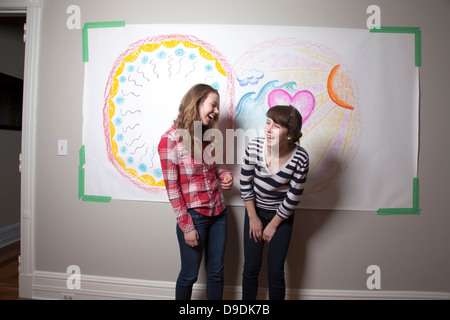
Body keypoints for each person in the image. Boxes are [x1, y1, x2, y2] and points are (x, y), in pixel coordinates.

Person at [158, 84, 233, 300]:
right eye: (213, 105)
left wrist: (224, 175)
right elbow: (172, 190)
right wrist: (187, 227)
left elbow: (213, 167)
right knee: (189, 275)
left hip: (219, 213)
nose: (216, 111)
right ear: (198, 102)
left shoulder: (204, 135)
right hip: (195, 218)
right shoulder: (170, 140)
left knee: (216, 274)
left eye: (217, 106)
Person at [240, 105, 309, 300]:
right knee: (251, 268)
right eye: (268, 122)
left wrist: (273, 225)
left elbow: (293, 197)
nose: (268, 129)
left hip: (282, 216)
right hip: (255, 210)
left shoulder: (301, 157)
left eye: (276, 126)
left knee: (275, 271)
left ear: (290, 135)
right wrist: (253, 218)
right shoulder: (254, 146)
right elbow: (245, 183)